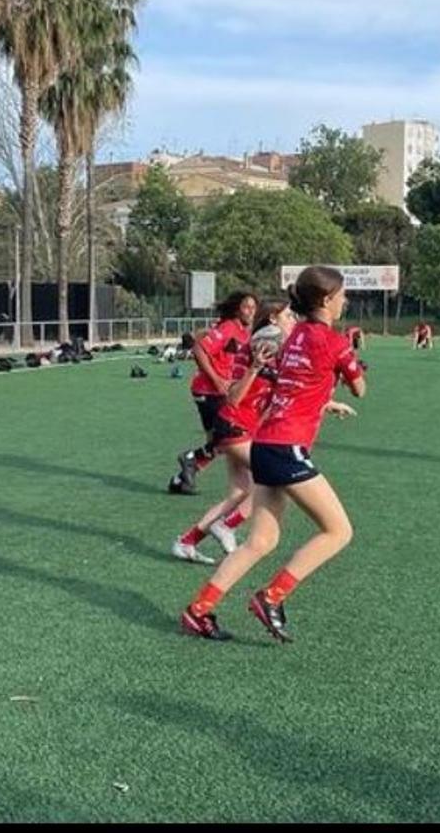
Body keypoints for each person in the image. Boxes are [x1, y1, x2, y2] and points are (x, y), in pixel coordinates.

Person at [181, 266, 365, 643]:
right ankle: (271, 596)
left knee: (260, 542)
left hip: (264, 442)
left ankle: (197, 611)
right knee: (339, 531)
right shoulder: (334, 341)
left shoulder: (292, 336)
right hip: (286, 448)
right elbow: (360, 387)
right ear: (328, 299)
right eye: (343, 294)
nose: (346, 300)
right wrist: (344, 373)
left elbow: (290, 384)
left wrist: (325, 402)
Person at [171, 301, 299, 565]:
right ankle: (227, 526)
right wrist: (254, 368)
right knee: (273, 479)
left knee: (238, 493)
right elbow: (232, 397)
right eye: (288, 315)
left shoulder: (274, 349)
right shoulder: (257, 348)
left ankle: (186, 542)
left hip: (243, 428)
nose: (293, 319)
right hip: (234, 427)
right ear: (273, 319)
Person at [167, 292, 258, 495]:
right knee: (229, 436)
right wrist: (217, 379)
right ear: (237, 309)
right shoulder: (228, 328)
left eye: (253, 307)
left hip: (216, 391)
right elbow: (199, 350)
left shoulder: (244, 331)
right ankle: (191, 457)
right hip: (209, 391)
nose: (251, 311)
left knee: (219, 441)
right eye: (246, 307)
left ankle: (180, 480)